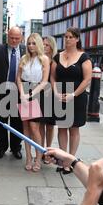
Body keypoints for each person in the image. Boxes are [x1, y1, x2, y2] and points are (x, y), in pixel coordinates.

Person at [50, 27, 91, 156]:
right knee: (61, 128)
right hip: (60, 97)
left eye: (71, 37)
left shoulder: (83, 57)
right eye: (66, 37)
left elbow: (87, 79)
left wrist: (73, 95)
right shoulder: (57, 57)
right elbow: (52, 77)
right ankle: (63, 159)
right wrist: (55, 92)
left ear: (77, 39)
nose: (67, 39)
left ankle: (71, 160)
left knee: (74, 129)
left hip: (76, 98)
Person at [0, 26, 26, 160]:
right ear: (7, 36)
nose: (14, 40)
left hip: (20, 92)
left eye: (17, 38)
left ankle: (16, 148)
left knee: (18, 122)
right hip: (1, 91)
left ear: (21, 38)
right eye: (12, 38)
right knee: (1, 122)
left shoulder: (26, 51)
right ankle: (2, 147)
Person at [16, 33, 50, 172]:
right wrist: (22, 94)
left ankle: (38, 158)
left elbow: (44, 82)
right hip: (23, 91)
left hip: (36, 93)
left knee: (35, 128)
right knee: (26, 128)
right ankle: (28, 158)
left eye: (33, 43)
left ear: (39, 44)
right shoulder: (24, 58)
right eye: (29, 43)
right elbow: (18, 78)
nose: (30, 46)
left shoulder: (44, 59)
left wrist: (29, 95)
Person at [41, 36, 58, 164]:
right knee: (41, 124)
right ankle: (41, 150)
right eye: (43, 44)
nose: (44, 47)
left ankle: (48, 151)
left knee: (50, 126)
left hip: (51, 94)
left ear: (52, 47)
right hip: (40, 94)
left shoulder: (55, 61)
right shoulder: (39, 59)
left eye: (46, 45)